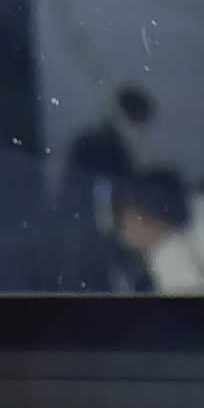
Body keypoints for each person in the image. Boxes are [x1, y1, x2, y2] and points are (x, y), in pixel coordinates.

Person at [63, 85, 161, 289]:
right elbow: (102, 197)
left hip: (95, 233)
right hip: (97, 235)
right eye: (139, 121)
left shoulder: (107, 146)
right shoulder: (105, 148)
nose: (141, 131)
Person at [110, 171, 204, 295]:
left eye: (125, 220)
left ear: (146, 217)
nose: (124, 232)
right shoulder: (174, 250)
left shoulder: (171, 258)